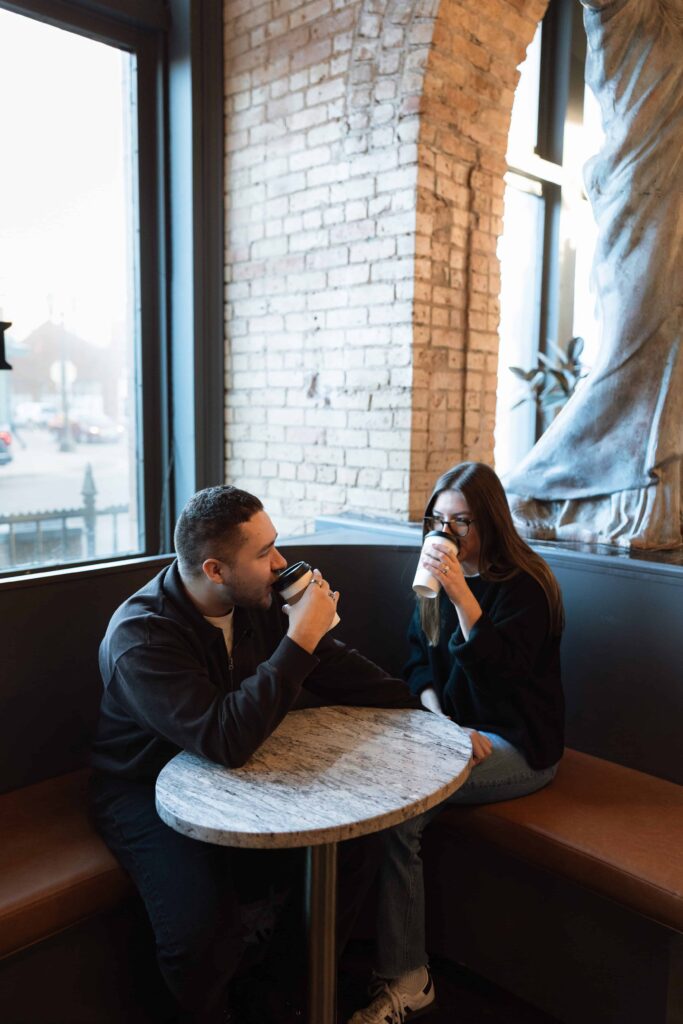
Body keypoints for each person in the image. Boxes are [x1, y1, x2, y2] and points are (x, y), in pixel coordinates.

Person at [89, 485, 415, 1024]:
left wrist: (425, 715)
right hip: (143, 787)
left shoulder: (253, 602)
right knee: (201, 933)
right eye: (264, 554)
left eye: (276, 545)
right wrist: (300, 640)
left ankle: (284, 998)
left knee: (352, 845)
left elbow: (336, 667)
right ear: (215, 569)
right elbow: (226, 740)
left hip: (231, 779)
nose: (281, 563)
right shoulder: (141, 637)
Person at [349, 462, 565, 1024]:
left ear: (490, 522)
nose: (447, 533)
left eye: (462, 522)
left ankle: (407, 980)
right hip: (454, 733)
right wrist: (441, 725)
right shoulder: (430, 583)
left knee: (400, 815)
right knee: (381, 794)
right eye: (438, 520)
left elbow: (502, 682)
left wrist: (461, 595)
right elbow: (418, 664)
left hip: (519, 742)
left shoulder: (527, 587)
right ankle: (361, 954)